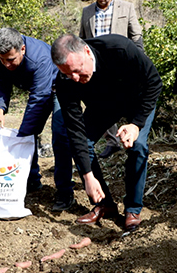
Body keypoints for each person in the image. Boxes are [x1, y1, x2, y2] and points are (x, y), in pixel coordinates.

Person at [50, 34, 161, 232]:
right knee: (82, 142)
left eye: (77, 70)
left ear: (85, 52)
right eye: (68, 74)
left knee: (137, 146)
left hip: (138, 99)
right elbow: (76, 131)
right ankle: (106, 204)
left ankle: (133, 209)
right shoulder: (65, 81)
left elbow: (154, 82)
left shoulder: (119, 49)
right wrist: (87, 176)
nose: (75, 78)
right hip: (104, 106)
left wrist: (135, 124)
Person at [0, 27, 76, 211]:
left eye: (11, 60)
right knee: (28, 133)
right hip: (39, 89)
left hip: (59, 87)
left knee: (60, 134)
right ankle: (32, 180)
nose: (7, 65)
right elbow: (1, 80)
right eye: (2, 60)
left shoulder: (39, 58)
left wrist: (23, 134)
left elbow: (39, 99)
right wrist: (0, 109)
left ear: (23, 50)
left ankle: (65, 192)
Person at [79, 0, 145, 158]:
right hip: (97, 69)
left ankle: (132, 136)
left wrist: (137, 63)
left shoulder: (127, 7)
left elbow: (136, 37)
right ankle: (112, 140)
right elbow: (82, 41)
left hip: (123, 68)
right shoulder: (87, 12)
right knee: (98, 103)